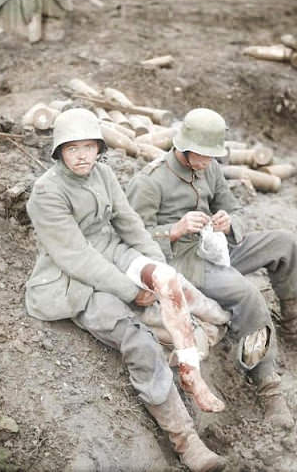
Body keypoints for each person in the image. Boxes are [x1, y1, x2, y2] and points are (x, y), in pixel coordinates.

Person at [25, 108, 236, 471]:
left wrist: (157, 265)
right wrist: (130, 290)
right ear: (58, 151)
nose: (82, 156)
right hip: (75, 283)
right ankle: (186, 442)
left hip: (113, 254)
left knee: (174, 286)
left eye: (89, 147)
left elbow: (130, 224)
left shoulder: (103, 174)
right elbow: (76, 258)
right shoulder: (46, 192)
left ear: (98, 148)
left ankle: (211, 334)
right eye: (72, 148)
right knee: (138, 339)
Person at [127, 108, 297, 428]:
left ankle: (296, 326)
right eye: (201, 155)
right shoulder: (151, 180)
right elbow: (132, 238)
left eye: (212, 155)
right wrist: (174, 229)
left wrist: (229, 223)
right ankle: (268, 386)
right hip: (183, 262)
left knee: (284, 243)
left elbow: (231, 206)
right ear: (183, 148)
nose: (207, 162)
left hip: (215, 245)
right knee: (248, 295)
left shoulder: (210, 167)